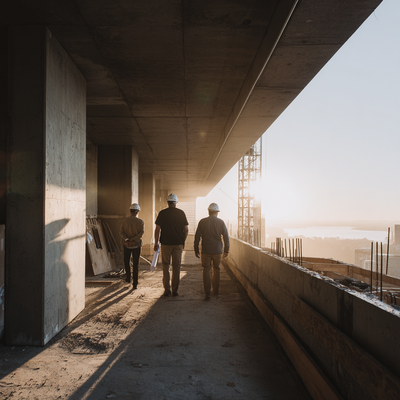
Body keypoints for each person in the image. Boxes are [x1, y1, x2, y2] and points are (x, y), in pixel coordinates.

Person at [154, 193, 188, 297]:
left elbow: (157, 229)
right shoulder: (181, 213)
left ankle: (167, 290)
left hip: (165, 244)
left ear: (168, 202)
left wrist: (156, 243)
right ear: (176, 203)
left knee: (165, 266)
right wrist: (183, 241)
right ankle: (175, 290)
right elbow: (186, 230)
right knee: (176, 267)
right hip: (178, 243)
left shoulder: (162, 213)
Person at [194, 203, 229, 300]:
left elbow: (197, 237)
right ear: (217, 212)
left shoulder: (202, 222)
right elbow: (226, 237)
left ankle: (207, 293)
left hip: (206, 250)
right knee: (216, 269)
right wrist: (226, 250)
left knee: (206, 269)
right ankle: (216, 290)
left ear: (208, 211)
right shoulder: (221, 222)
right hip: (218, 251)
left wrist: (196, 249)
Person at [119, 203, 144, 289]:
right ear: (137, 212)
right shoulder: (140, 222)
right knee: (136, 264)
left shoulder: (124, 221)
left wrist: (127, 240)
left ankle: (128, 278)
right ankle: (135, 283)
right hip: (136, 245)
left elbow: (121, 232)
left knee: (126, 262)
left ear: (130, 211)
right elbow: (141, 233)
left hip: (126, 245)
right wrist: (133, 240)